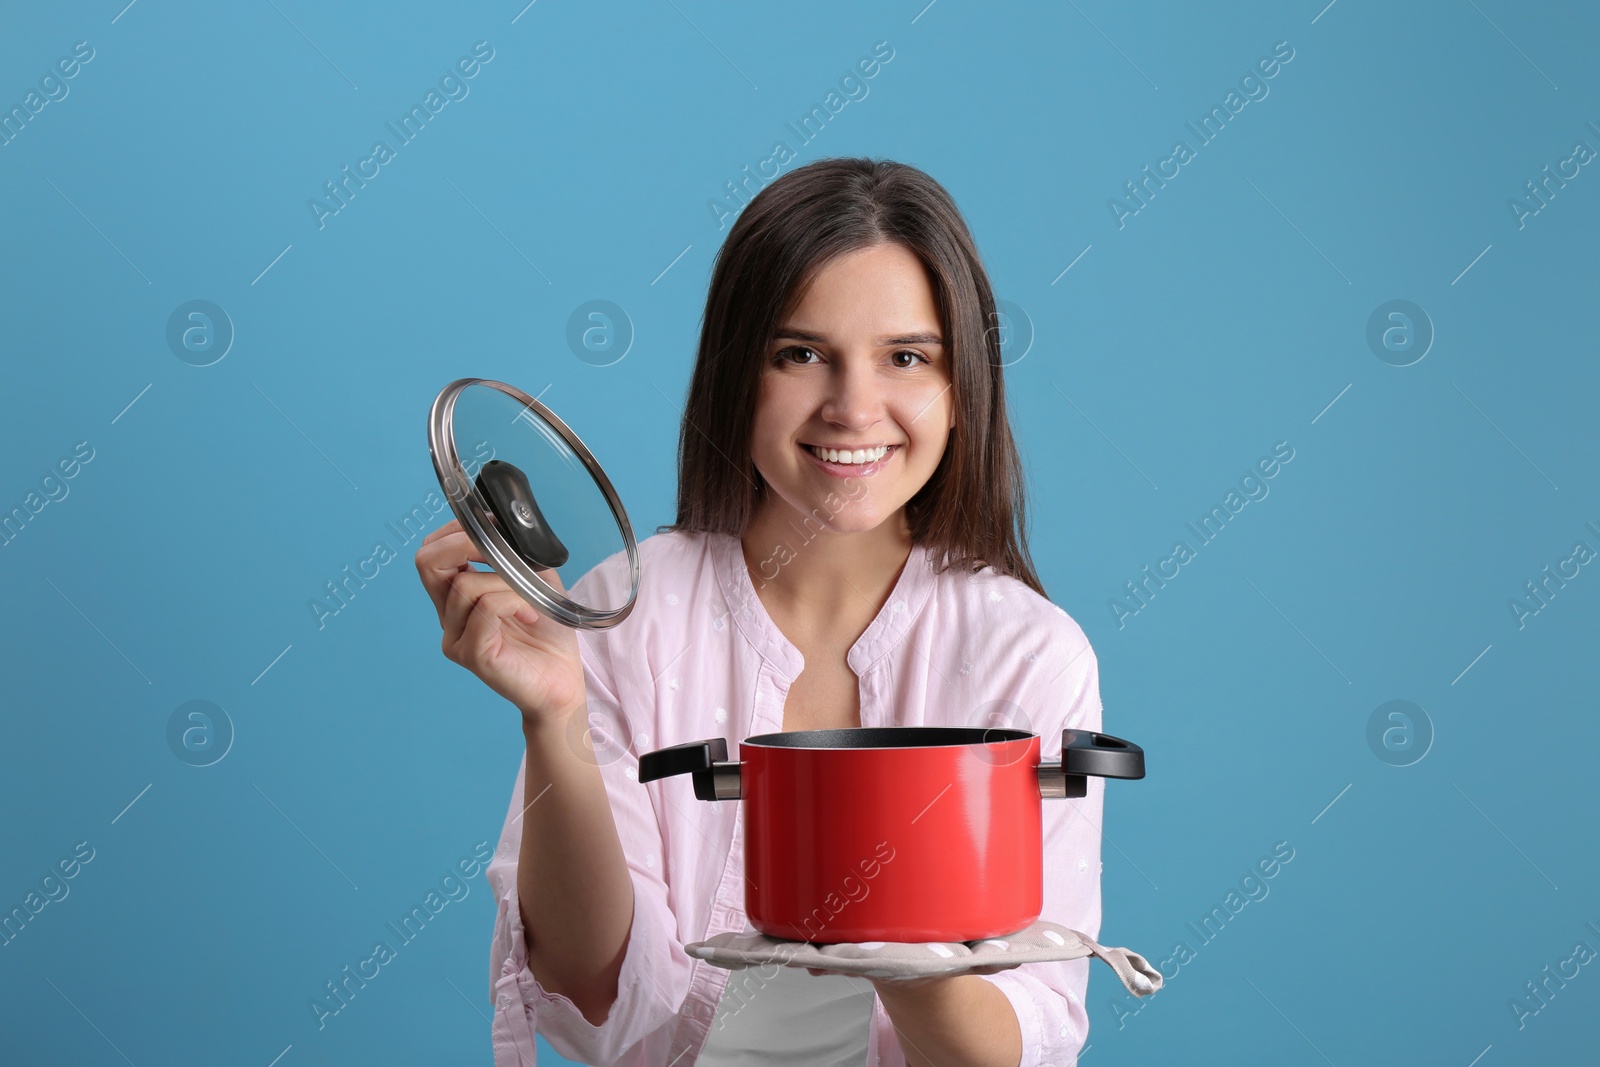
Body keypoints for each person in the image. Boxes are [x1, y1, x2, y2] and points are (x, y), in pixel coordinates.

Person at [414, 157, 1108, 1067]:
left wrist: (892, 928)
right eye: (801, 353)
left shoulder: (1030, 654)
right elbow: (597, 995)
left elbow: (1022, 1045)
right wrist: (556, 719)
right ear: (737, 371)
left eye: (906, 356)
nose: (854, 407)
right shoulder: (631, 614)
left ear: (963, 385)